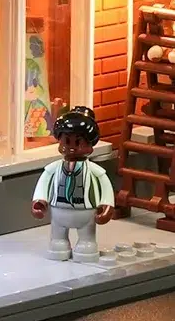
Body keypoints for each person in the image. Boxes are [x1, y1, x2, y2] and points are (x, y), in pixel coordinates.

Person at [31, 106, 113, 260]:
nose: (72, 148)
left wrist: (107, 206)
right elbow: (43, 182)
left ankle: (87, 243)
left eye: (78, 142)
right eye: (67, 141)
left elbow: (106, 186)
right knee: (58, 235)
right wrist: (39, 201)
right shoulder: (54, 168)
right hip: (58, 209)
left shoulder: (95, 171)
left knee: (86, 236)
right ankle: (58, 242)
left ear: (90, 145)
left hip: (86, 210)